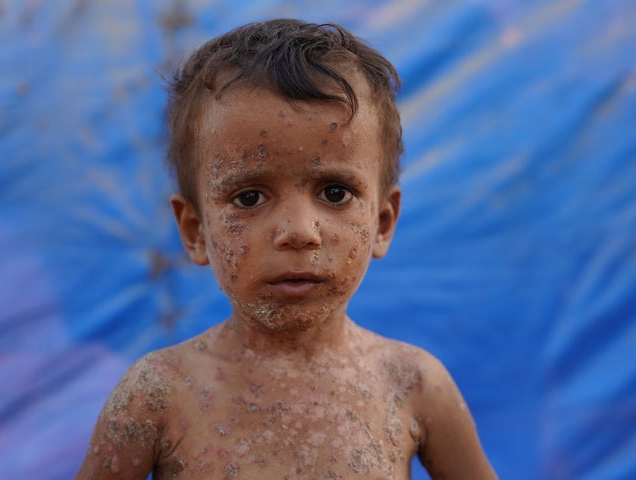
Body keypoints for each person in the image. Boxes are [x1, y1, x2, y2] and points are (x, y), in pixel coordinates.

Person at [75, 18, 497, 479]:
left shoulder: (413, 384)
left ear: (381, 222)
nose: (299, 231)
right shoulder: (158, 394)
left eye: (335, 192)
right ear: (195, 231)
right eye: (249, 197)